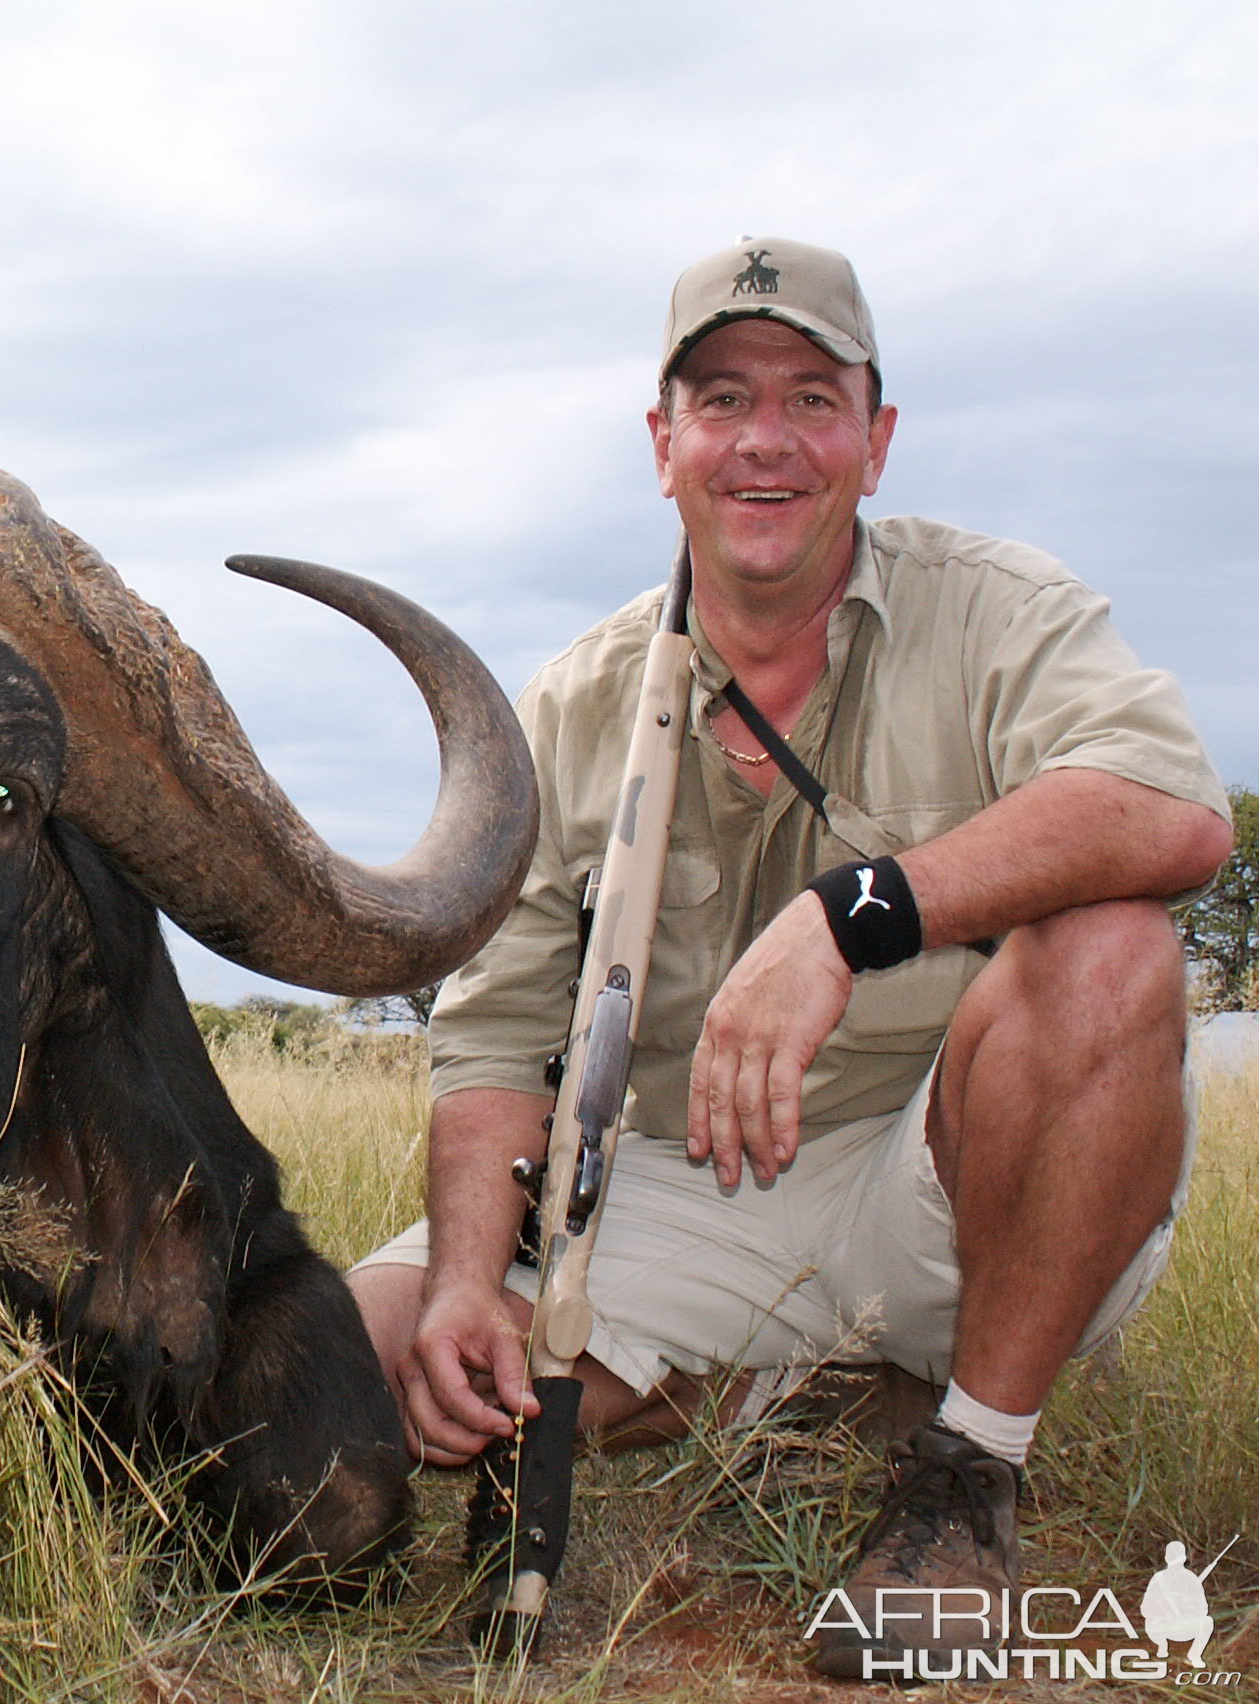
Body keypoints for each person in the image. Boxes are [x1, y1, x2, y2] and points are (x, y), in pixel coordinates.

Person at [345, 236, 1231, 1677]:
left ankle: (968, 1471)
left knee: (1117, 948)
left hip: (939, 1179)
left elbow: (1172, 811)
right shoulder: (572, 702)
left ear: (876, 443)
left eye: (813, 399)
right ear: (664, 445)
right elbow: (496, 1035)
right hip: (683, 1188)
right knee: (346, 1372)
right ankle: (777, 1391)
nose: (767, 439)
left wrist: (854, 913)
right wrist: (458, 1285)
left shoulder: (998, 611)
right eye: (723, 400)